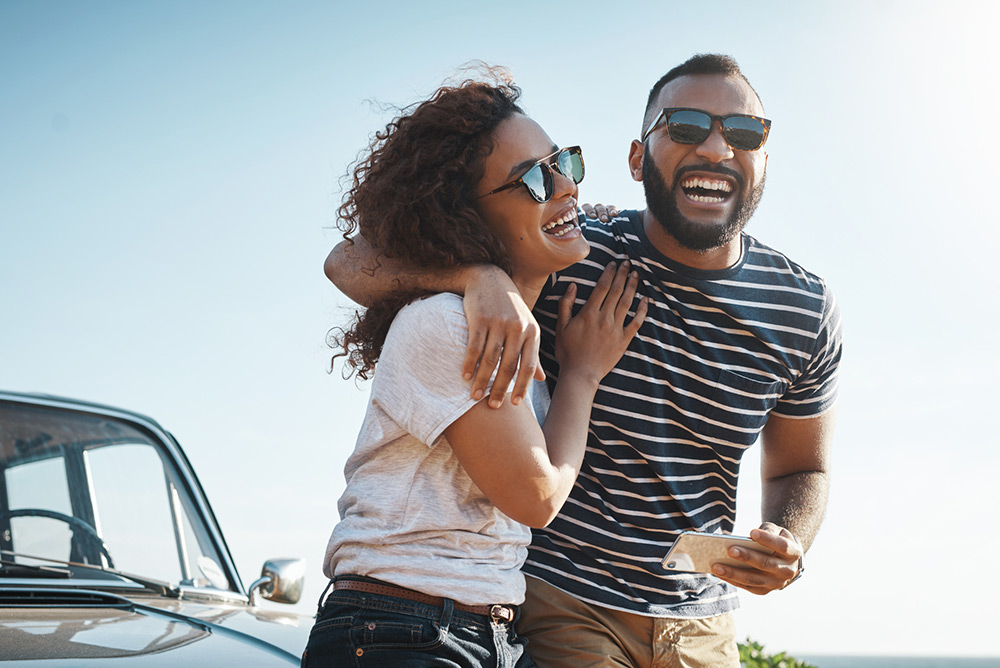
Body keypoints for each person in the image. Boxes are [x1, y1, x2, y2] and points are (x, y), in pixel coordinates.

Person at [325, 54, 842, 668]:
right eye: (684, 127)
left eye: (744, 133)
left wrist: (788, 541)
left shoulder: (804, 308)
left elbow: (802, 467)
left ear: (763, 158)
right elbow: (351, 261)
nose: (715, 148)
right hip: (559, 602)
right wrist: (478, 276)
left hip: (703, 621)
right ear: (636, 157)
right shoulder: (570, 249)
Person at [302, 68, 647, 668]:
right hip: (403, 630)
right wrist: (585, 375)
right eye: (534, 179)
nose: (564, 187)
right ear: (468, 217)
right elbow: (536, 497)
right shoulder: (449, 324)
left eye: (563, 162)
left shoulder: (496, 319)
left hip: (452, 630)